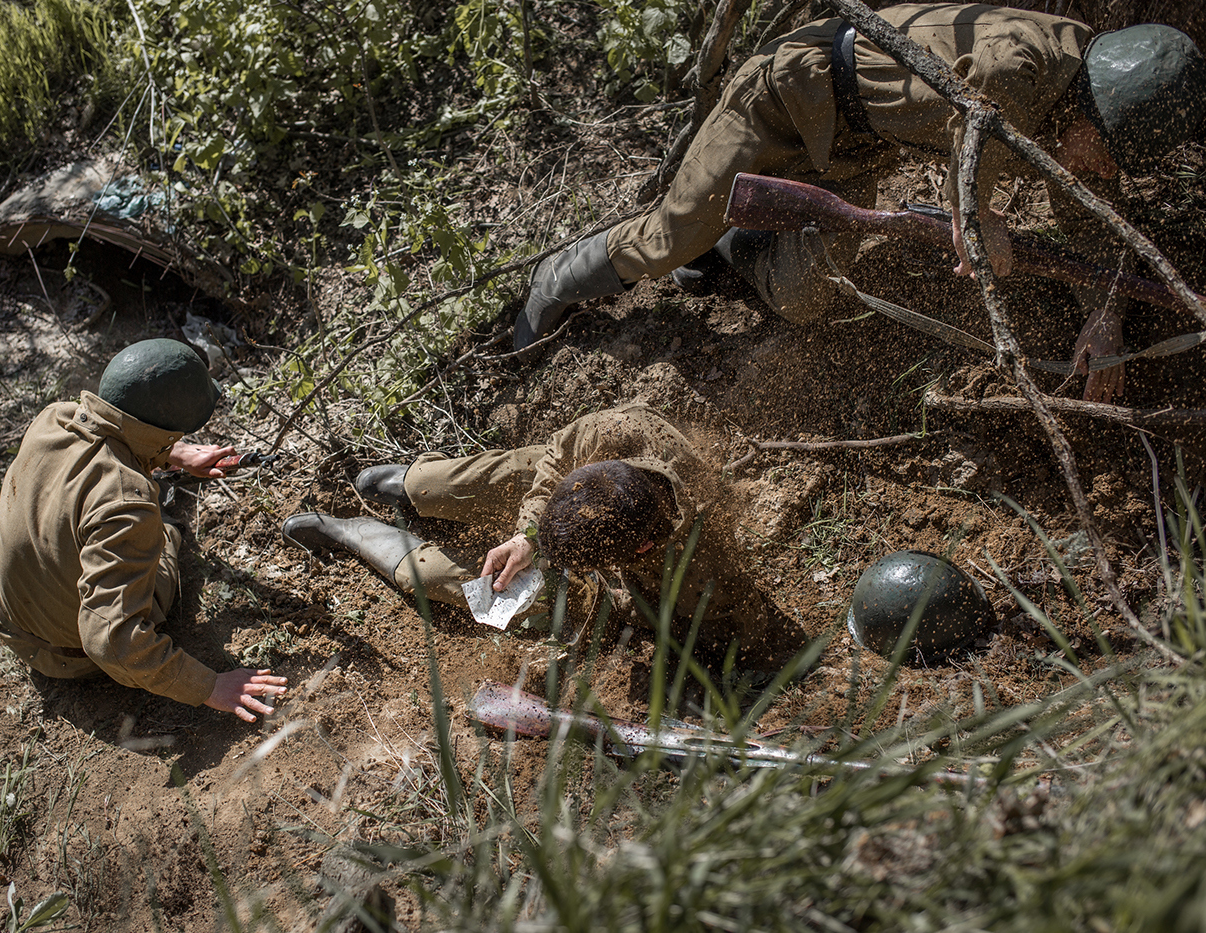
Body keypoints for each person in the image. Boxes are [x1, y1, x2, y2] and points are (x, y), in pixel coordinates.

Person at [512, 5, 1206, 403]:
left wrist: (1106, 322)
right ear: (1096, 110)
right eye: (1105, 154)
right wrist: (978, 225)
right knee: (666, 238)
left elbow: (1096, 221)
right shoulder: (1015, 74)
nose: (1100, 170)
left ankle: (733, 247)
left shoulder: (1096, 101)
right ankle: (556, 279)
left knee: (803, 298)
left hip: (858, 144)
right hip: (786, 97)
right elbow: (971, 176)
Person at [280, 405, 808, 669]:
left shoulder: (700, 573)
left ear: (641, 551)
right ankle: (414, 486)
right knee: (457, 481)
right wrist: (530, 534)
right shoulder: (623, 434)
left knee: (451, 581)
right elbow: (558, 457)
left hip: (611, 585)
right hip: (564, 508)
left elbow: (696, 630)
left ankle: (355, 535)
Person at [0, 338, 289, 722]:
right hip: (66, 655)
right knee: (165, 534)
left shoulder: (54, 418)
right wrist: (209, 686)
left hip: (8, 615)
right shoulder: (129, 503)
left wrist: (174, 453)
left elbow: (109, 428)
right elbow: (110, 642)